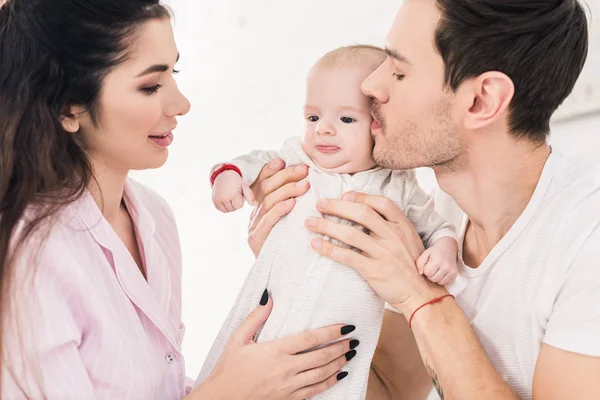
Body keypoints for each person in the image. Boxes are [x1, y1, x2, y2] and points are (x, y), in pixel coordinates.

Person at [0, 1, 357, 399]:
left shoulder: (152, 217)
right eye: (150, 86)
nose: (181, 104)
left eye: (174, 73)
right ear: (69, 107)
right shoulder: (26, 261)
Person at [247, 0, 600, 399]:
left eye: (397, 71)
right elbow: (387, 386)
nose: (371, 85)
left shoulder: (588, 244)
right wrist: (297, 262)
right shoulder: (442, 212)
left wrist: (421, 297)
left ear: (482, 101)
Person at [199, 45, 462, 398]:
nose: (322, 130)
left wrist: (443, 252)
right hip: (269, 321)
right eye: (313, 117)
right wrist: (228, 176)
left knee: (325, 384)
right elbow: (250, 162)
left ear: (380, 125)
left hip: (337, 344)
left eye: (346, 119)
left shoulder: (397, 185)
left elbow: (437, 228)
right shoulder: (296, 161)